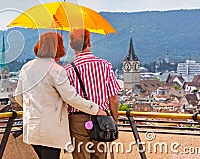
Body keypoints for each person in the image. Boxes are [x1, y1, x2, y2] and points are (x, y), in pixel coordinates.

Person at [15, 32, 106, 159]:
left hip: (32, 127)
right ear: (58, 49)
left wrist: (33, 109)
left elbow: (18, 96)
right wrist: (96, 109)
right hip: (51, 129)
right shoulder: (56, 71)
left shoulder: (26, 68)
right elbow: (71, 98)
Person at [64, 29, 121, 159]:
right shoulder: (105, 65)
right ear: (89, 42)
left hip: (77, 120)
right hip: (102, 119)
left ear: (71, 45)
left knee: (80, 155)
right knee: (100, 155)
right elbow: (113, 99)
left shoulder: (68, 70)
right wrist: (114, 120)